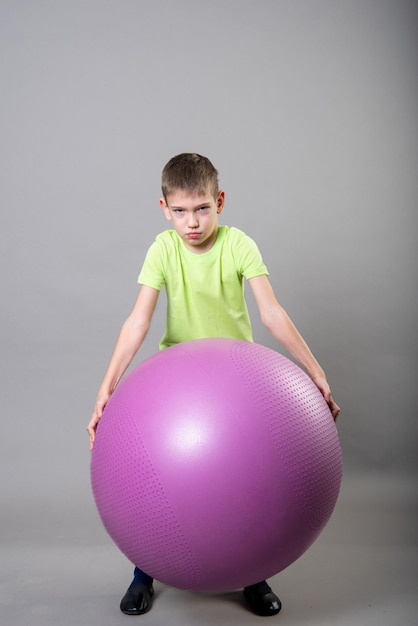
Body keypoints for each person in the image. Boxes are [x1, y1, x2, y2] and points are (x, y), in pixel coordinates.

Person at [87, 153, 340, 618]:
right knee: (154, 482)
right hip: (174, 387)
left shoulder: (239, 244)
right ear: (164, 208)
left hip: (238, 386)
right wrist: (106, 389)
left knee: (248, 480)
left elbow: (271, 313)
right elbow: (137, 322)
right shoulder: (162, 249)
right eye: (180, 211)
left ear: (219, 201)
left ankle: (252, 572)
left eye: (202, 208)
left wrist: (315, 373)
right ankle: (143, 572)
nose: (192, 222)